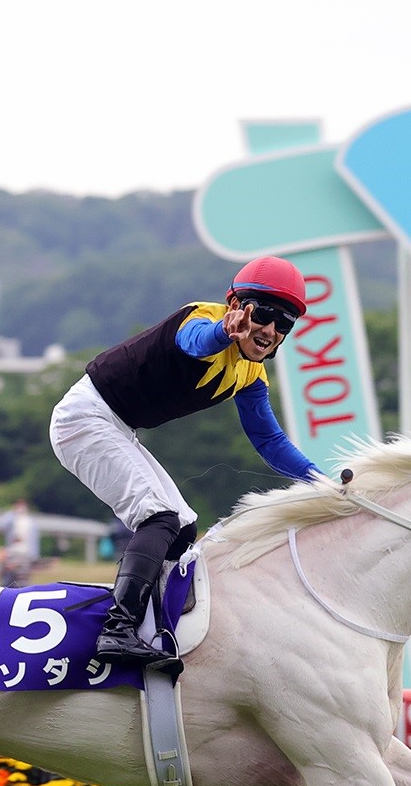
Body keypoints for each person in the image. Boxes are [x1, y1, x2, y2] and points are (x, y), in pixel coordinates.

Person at [50, 256, 320, 667]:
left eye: (283, 323)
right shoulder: (202, 318)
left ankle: (148, 626)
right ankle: (116, 630)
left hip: (117, 427)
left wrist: (322, 480)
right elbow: (196, 341)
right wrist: (222, 331)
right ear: (234, 305)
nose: (268, 330)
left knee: (182, 526)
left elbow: (269, 441)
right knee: (158, 517)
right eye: (261, 313)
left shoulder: (252, 377)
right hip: (84, 418)